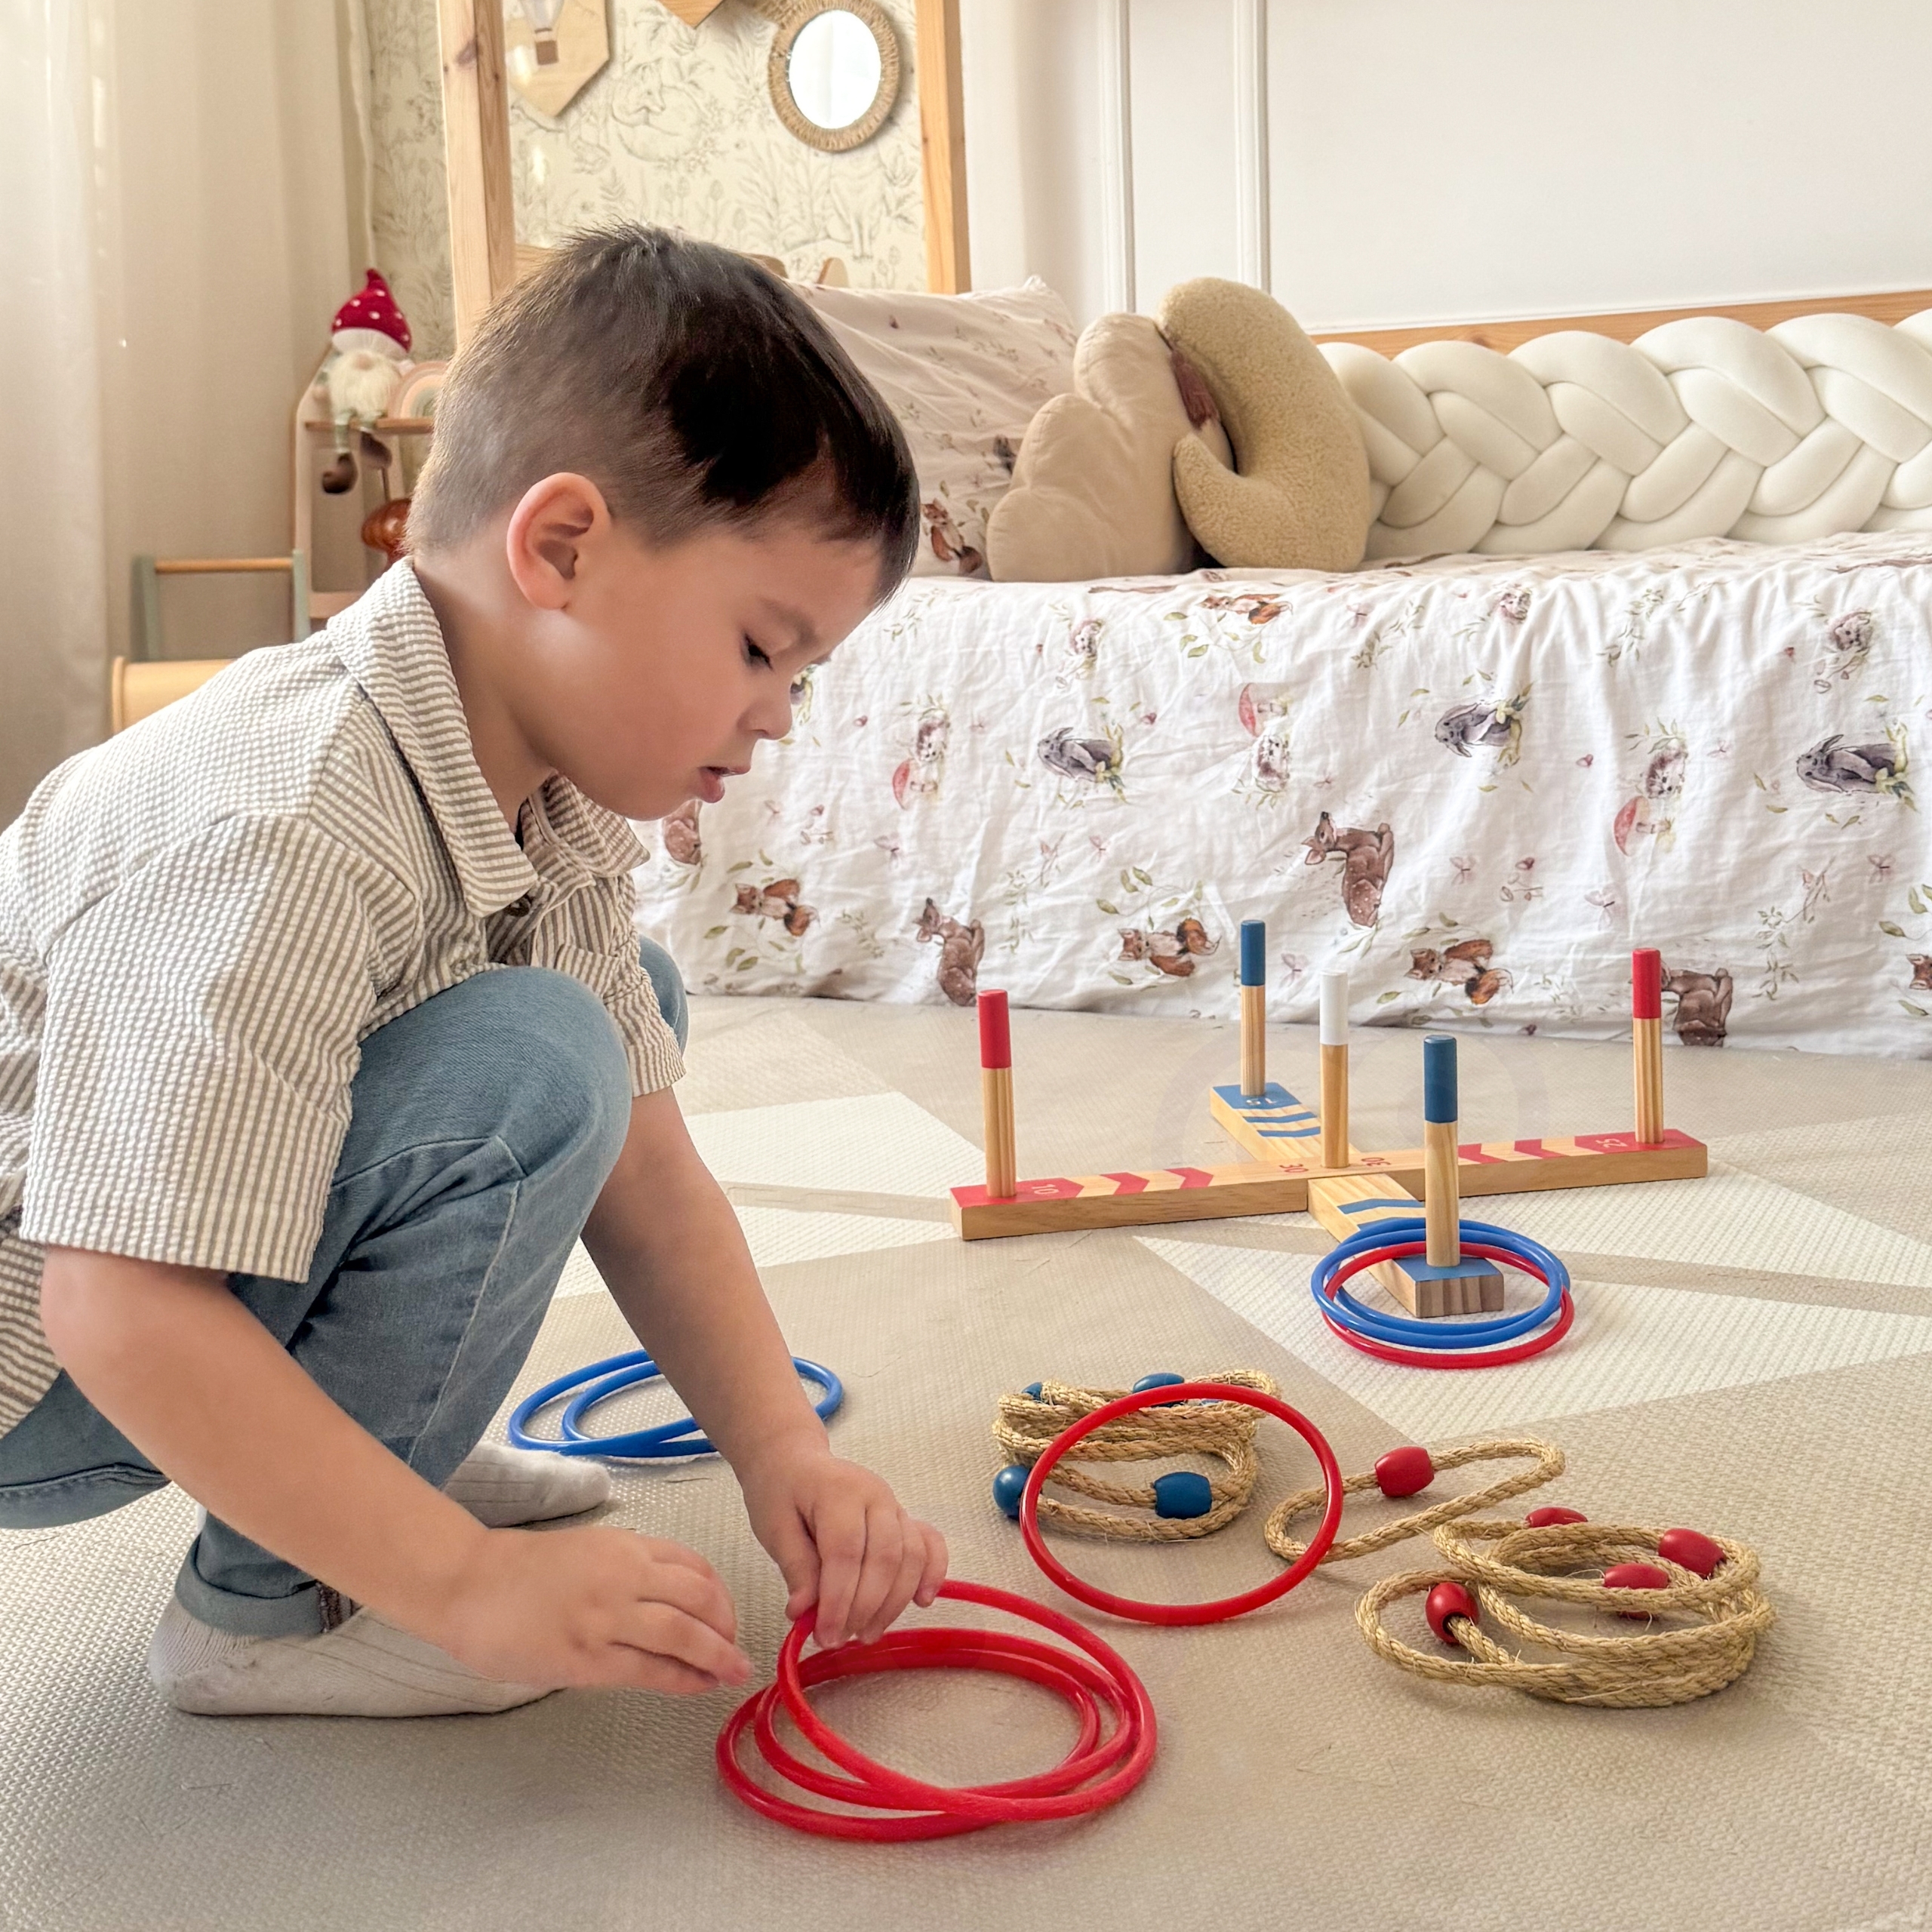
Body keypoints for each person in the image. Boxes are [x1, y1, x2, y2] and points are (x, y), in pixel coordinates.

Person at [0, 226, 947, 1717]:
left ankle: (390, 1456)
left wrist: (787, 1453)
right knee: (536, 1056)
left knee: (612, 1023)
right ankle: (264, 1610)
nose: (777, 717)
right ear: (561, 547)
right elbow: (113, 1302)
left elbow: (646, 1164)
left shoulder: (545, 800)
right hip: (42, 1366)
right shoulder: (284, 818)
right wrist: (460, 1580)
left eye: (801, 673)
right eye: (764, 646)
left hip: (130, 1296)